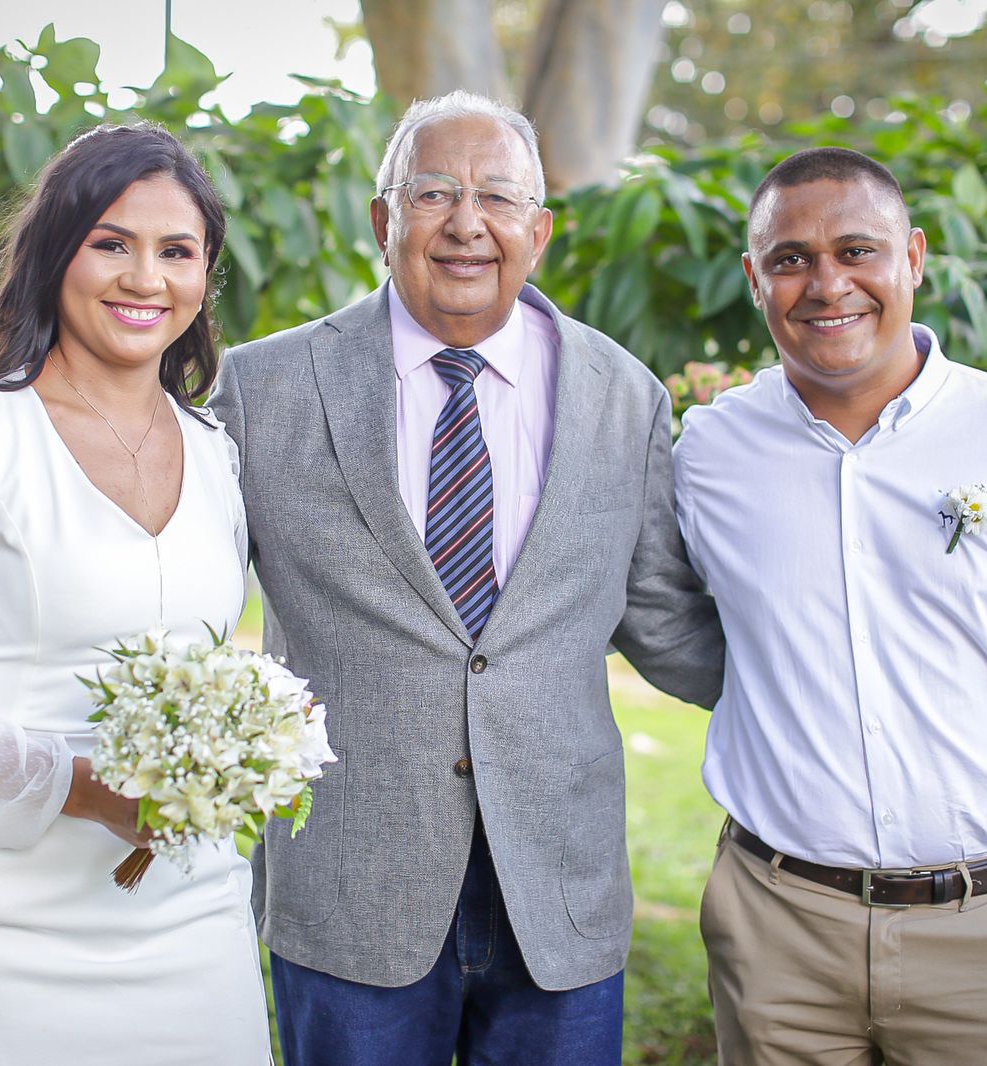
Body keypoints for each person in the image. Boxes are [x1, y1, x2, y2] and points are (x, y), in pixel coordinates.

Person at [208, 90, 724, 1065]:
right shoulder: (260, 389)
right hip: (350, 884)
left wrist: (830, 674)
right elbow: (175, 592)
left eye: (495, 196)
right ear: (381, 219)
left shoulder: (623, 397)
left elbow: (659, 619)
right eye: (434, 192)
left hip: (557, 892)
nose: (465, 222)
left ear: (540, 229)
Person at [672, 146, 987, 1065]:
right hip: (775, 931)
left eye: (857, 251)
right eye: (791, 259)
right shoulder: (708, 453)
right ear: (755, 279)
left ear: (913, 257)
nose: (827, 284)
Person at [0, 124, 272, 1065]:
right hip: (1, 928)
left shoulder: (217, 454)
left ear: (204, 280)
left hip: (197, 919)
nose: (144, 279)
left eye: (176, 252)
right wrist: (83, 785)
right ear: (54, 255)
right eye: (110, 242)